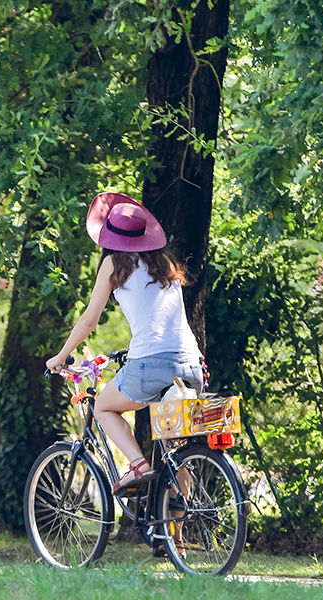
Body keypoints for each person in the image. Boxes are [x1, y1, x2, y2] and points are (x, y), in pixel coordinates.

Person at [46, 192, 203, 498]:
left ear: (109, 237)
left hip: (150, 364)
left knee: (103, 407)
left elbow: (90, 319)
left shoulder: (112, 264)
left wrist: (61, 356)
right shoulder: (165, 262)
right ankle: (175, 543)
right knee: (175, 447)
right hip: (192, 363)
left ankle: (137, 464)